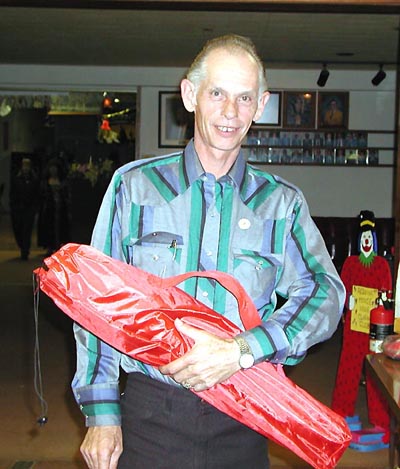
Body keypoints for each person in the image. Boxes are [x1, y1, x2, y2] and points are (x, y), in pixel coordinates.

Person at [72, 34, 345, 469]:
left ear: (261, 105)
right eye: (217, 93)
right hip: (151, 413)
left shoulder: (280, 204)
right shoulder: (135, 187)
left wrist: (244, 349)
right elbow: (97, 302)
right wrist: (101, 413)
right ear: (190, 95)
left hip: (243, 412)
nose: (230, 111)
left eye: (244, 97)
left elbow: (325, 292)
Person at [9, 157, 40, 260]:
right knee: (18, 229)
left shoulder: (34, 179)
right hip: (18, 208)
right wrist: (13, 206)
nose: (25, 168)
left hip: (29, 209)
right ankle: (22, 246)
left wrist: (35, 207)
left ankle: (25, 250)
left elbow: (36, 194)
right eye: (24, 165)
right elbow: (12, 193)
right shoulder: (16, 178)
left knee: (27, 230)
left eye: (27, 165)